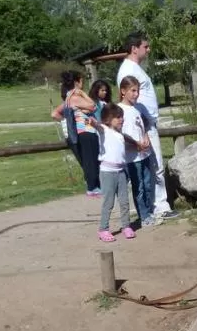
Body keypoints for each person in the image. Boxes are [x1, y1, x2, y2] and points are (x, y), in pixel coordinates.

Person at [116, 33, 179, 221]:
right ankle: (159, 206)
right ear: (134, 48)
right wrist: (143, 123)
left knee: (154, 165)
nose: (148, 49)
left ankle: (156, 204)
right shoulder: (128, 69)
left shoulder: (136, 68)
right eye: (145, 46)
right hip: (143, 124)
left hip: (147, 121)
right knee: (155, 165)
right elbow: (129, 99)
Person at [51, 70, 101, 196]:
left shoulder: (68, 98)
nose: (83, 83)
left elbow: (54, 113)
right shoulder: (75, 97)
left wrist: (66, 119)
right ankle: (92, 187)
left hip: (80, 131)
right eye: (81, 80)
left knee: (88, 159)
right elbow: (93, 106)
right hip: (85, 130)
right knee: (91, 159)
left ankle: (94, 186)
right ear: (76, 82)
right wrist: (83, 94)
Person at [119, 75, 158, 228]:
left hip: (145, 153)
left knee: (148, 184)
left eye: (138, 91)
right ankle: (143, 215)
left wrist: (146, 137)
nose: (136, 94)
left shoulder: (137, 108)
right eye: (133, 91)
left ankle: (148, 212)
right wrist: (135, 143)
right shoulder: (120, 110)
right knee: (139, 186)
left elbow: (143, 126)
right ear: (123, 91)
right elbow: (120, 133)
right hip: (132, 157)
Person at [96, 103, 134, 242]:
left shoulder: (120, 135)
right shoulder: (104, 130)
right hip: (107, 173)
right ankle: (103, 229)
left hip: (121, 172)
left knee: (124, 201)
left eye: (122, 117)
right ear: (108, 119)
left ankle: (126, 226)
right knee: (109, 202)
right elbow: (97, 125)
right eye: (118, 117)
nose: (121, 120)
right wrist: (93, 122)